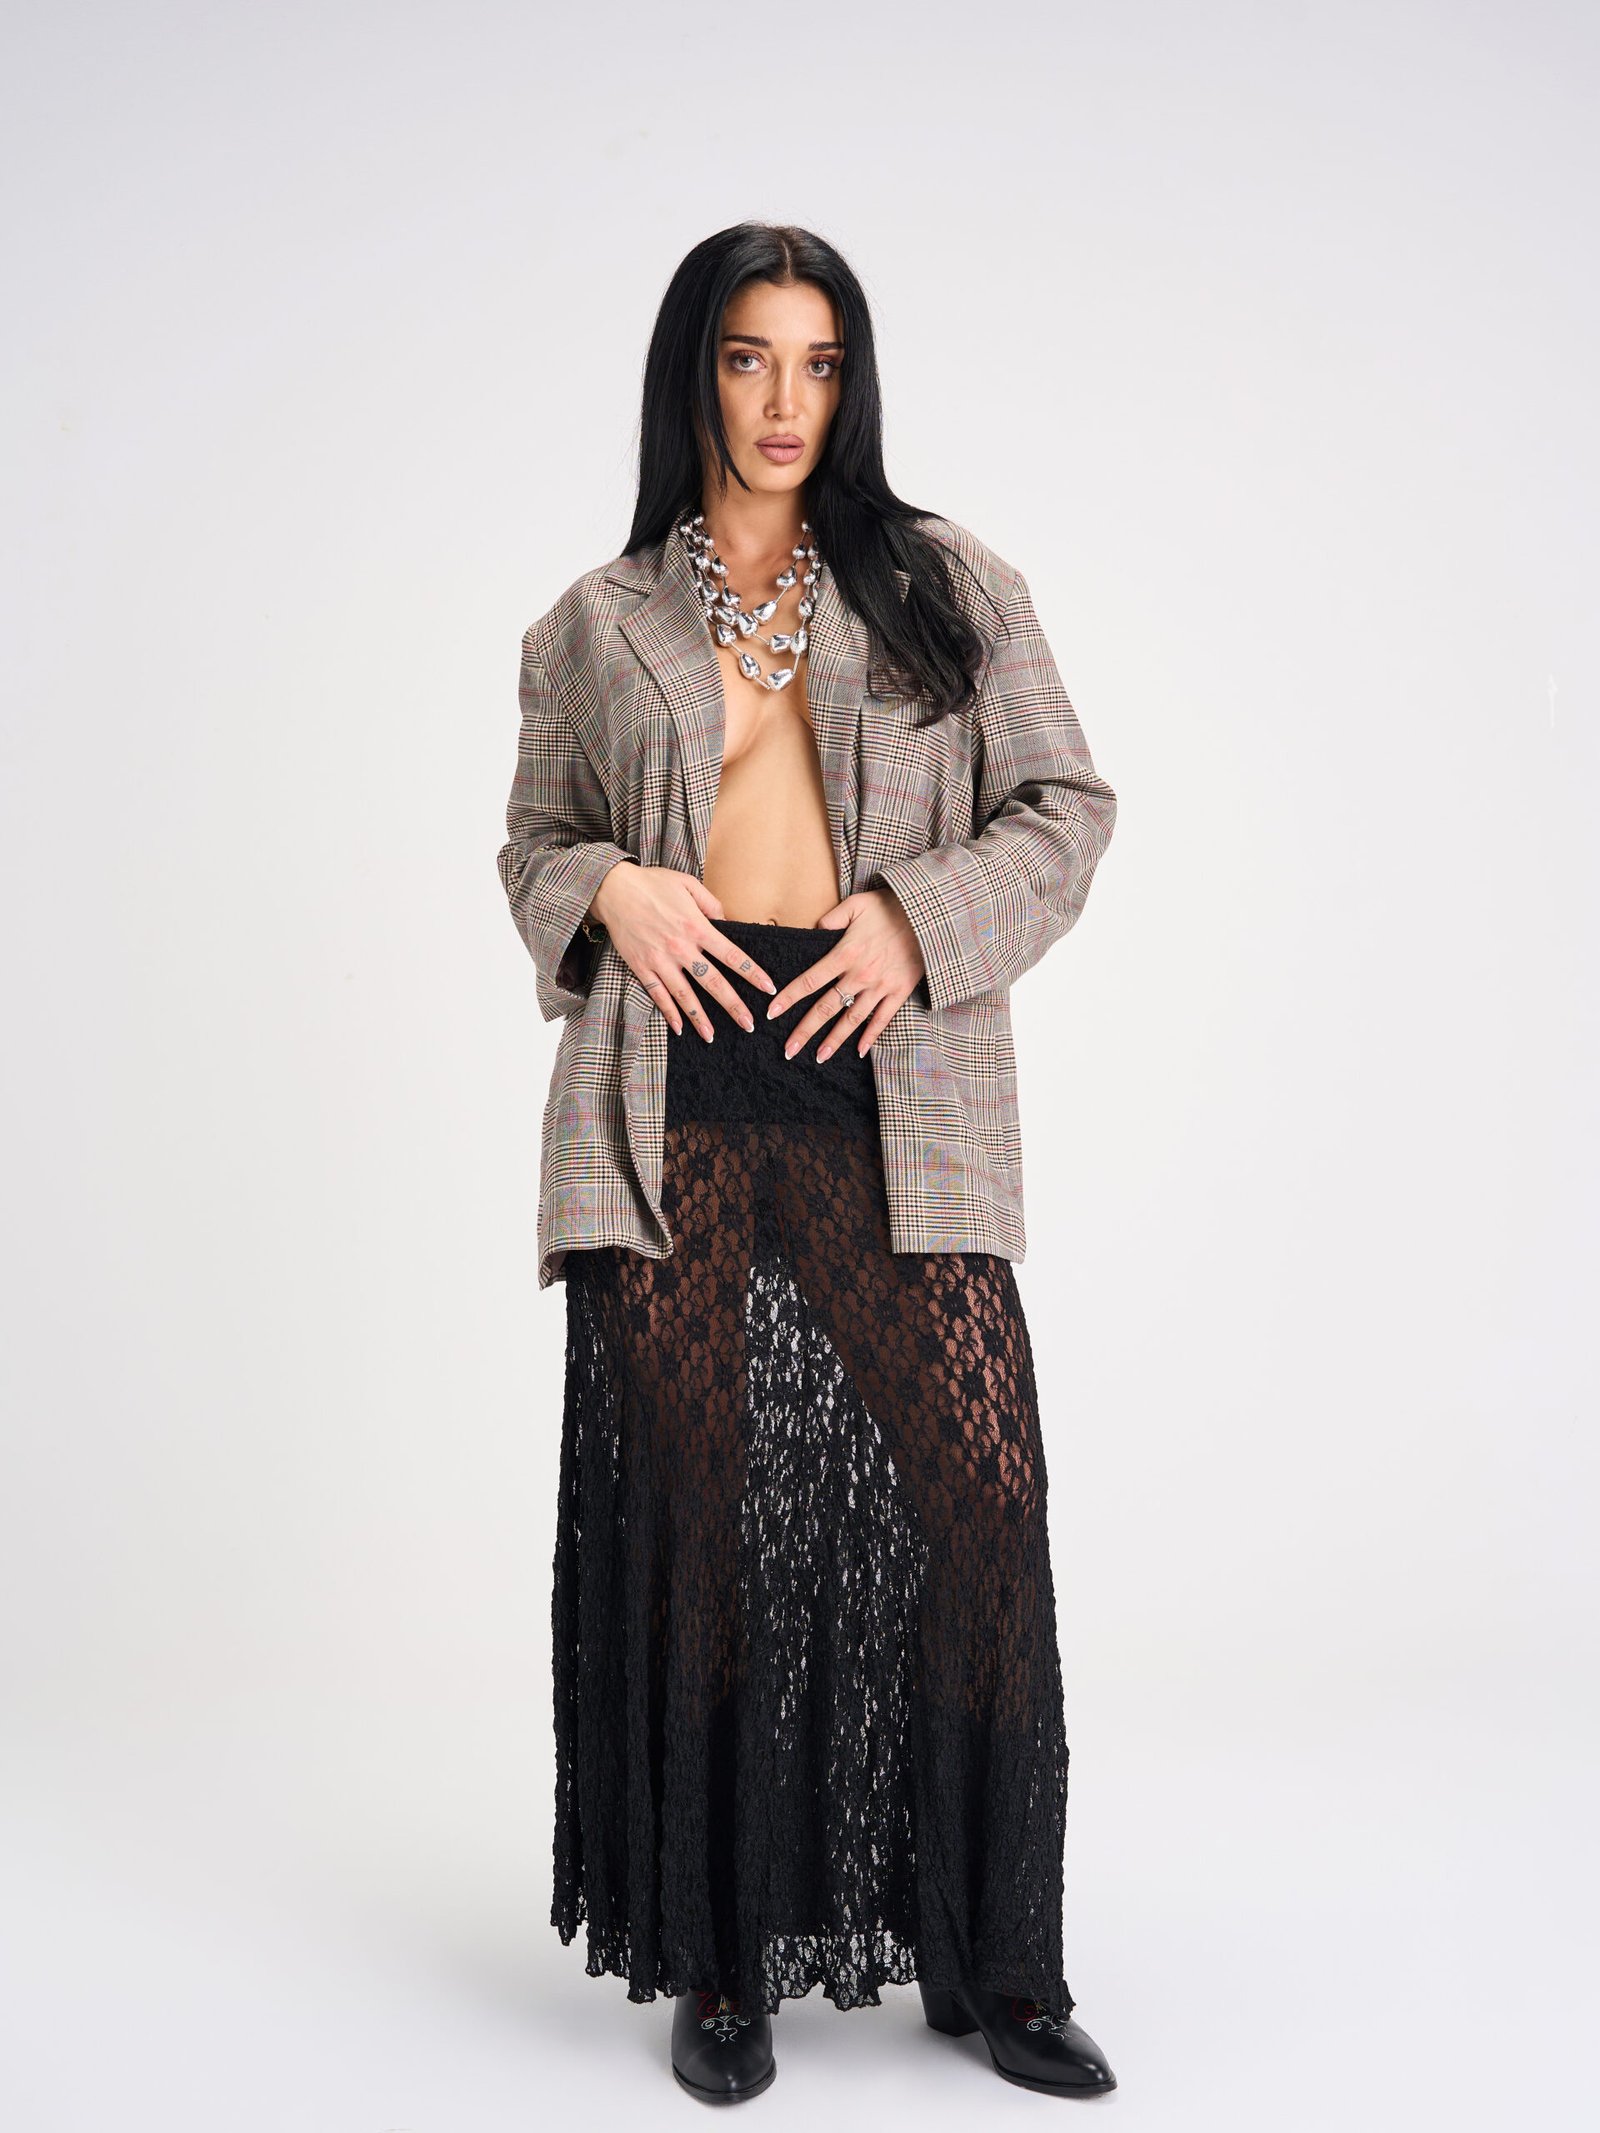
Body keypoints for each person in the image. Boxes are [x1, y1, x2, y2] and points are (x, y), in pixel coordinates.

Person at [496, 223, 1119, 2104]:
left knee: (980, 1499)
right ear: (694, 372)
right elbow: (531, 843)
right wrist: (607, 885)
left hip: (885, 1076)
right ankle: (721, 1959)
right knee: (702, 1527)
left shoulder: (948, 585)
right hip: (671, 1084)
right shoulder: (594, 623)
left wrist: (919, 921)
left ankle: (996, 1953)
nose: (787, 402)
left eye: (821, 363)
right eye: (751, 359)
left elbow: (1066, 810)